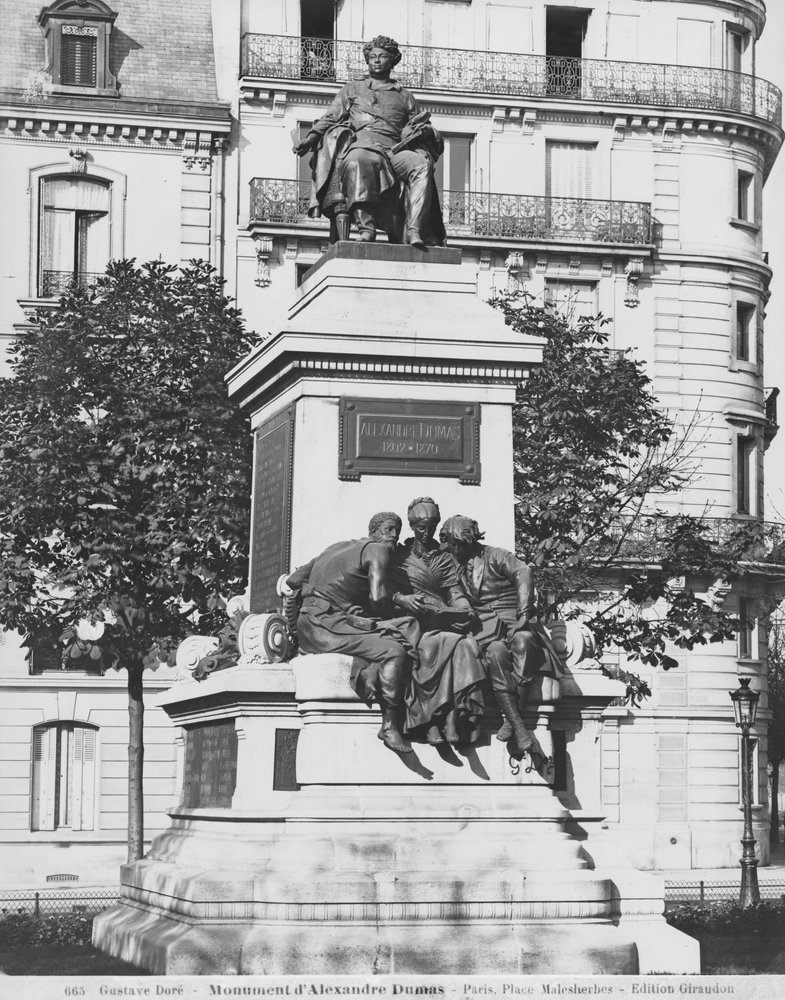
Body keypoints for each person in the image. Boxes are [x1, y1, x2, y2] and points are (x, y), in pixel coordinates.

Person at [293, 34, 446, 248]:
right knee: (357, 159)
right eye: (373, 57)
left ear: (392, 61)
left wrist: (426, 131)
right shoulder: (353, 89)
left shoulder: (405, 96)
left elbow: (420, 125)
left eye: (382, 56)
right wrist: (311, 138)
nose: (376, 60)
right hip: (364, 145)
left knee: (421, 165)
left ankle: (414, 230)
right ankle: (367, 228)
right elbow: (331, 116)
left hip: (395, 150)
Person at [282, 512, 418, 754]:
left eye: (397, 531)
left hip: (307, 625)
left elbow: (293, 580)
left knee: (401, 628)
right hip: (328, 626)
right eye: (388, 529)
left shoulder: (335, 547)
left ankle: (374, 673)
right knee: (394, 649)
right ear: (374, 532)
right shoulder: (378, 550)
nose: (394, 536)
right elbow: (378, 599)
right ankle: (389, 726)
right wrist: (400, 600)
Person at [439, 515, 564, 759]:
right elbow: (453, 594)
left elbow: (523, 571)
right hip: (484, 627)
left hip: (512, 618)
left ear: (470, 541)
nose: (454, 550)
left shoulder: (495, 555)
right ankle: (517, 723)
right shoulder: (449, 564)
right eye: (451, 545)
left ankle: (512, 720)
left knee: (523, 642)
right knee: (496, 653)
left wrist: (524, 613)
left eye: (458, 545)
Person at [391, 498, 488, 747]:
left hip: (440, 616)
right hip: (412, 620)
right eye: (421, 528)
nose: (427, 533)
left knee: (464, 645)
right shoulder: (399, 556)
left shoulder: (444, 558)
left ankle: (452, 718)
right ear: (412, 526)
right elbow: (384, 591)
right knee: (428, 647)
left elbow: (454, 592)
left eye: (431, 527)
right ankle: (430, 722)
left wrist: (463, 609)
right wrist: (402, 599)